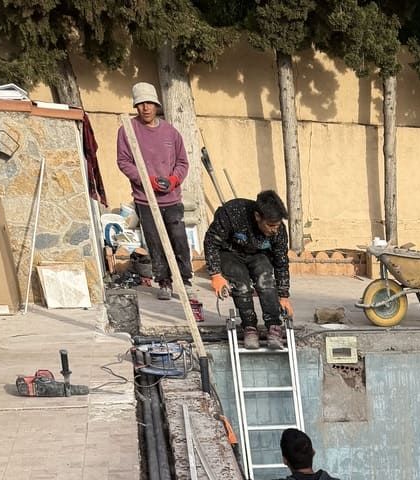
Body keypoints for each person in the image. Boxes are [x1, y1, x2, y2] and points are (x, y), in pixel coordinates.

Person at [116, 82, 192, 301]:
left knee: (179, 239)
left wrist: (174, 179)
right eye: (141, 104)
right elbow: (124, 162)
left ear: (157, 105)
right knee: (155, 242)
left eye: (149, 103)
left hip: (171, 198)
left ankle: (184, 280)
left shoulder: (170, 132)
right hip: (145, 199)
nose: (145, 108)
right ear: (135, 106)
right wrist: (145, 180)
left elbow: (182, 162)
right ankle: (164, 282)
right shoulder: (127, 130)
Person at [204, 191, 293, 350]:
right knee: (242, 285)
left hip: (258, 255)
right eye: (270, 226)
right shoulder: (233, 213)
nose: (274, 230)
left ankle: (274, 327)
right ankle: (249, 328)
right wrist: (215, 274)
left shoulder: (279, 231)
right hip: (230, 253)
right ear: (258, 216)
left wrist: (284, 295)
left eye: (277, 226)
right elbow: (211, 241)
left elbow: (281, 262)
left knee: (265, 280)